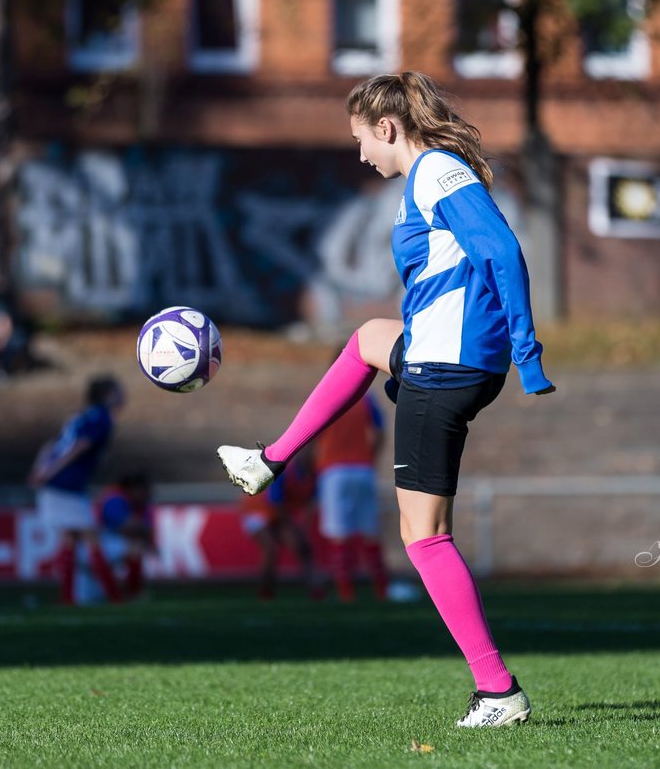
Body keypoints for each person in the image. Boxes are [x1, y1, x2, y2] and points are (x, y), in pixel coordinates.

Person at [218, 71, 554, 728]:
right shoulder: (430, 177)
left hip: (449, 364)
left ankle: (497, 691)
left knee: (424, 540)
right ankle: (272, 458)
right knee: (370, 338)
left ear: (387, 127)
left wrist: (528, 351)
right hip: (447, 356)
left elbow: (504, 251)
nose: (360, 154)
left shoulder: (432, 171)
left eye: (359, 139)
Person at [28, 375, 126, 605]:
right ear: (108, 394)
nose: (124, 396)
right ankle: (114, 597)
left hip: (57, 484)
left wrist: (39, 469)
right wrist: (49, 472)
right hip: (66, 486)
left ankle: (68, 597)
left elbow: (51, 445)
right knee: (91, 539)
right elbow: (79, 446)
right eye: (119, 391)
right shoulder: (102, 418)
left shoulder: (81, 416)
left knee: (69, 540)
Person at [312, 391, 389, 602]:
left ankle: (346, 592)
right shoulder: (367, 398)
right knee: (370, 532)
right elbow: (380, 430)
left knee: (339, 534)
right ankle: (381, 589)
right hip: (363, 468)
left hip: (333, 470)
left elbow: (310, 432)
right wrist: (370, 457)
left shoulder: (324, 393)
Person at [238, 456, 325, 600]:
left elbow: (311, 504)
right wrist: (293, 526)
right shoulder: (285, 473)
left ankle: (315, 588)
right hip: (257, 511)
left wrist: (301, 525)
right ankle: (266, 591)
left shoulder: (315, 475)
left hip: (279, 515)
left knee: (302, 547)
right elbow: (274, 502)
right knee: (270, 548)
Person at [94, 472, 156, 601]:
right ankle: (130, 592)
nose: (147, 493)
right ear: (132, 488)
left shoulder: (142, 505)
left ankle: (131, 591)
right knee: (88, 598)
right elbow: (128, 527)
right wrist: (140, 529)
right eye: (143, 489)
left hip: (111, 544)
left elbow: (146, 530)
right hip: (99, 544)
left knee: (136, 548)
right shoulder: (115, 499)